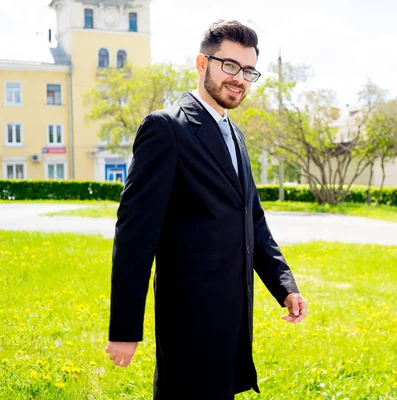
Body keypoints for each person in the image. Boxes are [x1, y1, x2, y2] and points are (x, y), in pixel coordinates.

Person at [105, 20, 307, 399]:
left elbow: (255, 221)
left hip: (233, 318)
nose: (239, 79)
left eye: (248, 71)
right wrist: (124, 330)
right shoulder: (165, 128)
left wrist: (284, 287)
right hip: (189, 319)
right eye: (229, 65)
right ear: (202, 63)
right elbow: (135, 234)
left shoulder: (236, 135)